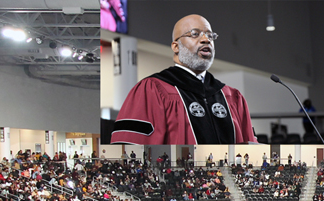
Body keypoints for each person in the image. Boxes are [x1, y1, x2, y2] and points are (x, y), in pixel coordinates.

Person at [110, 15, 257, 144]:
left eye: (210, 35)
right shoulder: (152, 90)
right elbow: (131, 147)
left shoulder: (232, 97)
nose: (206, 40)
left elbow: (250, 148)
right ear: (176, 47)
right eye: (195, 34)